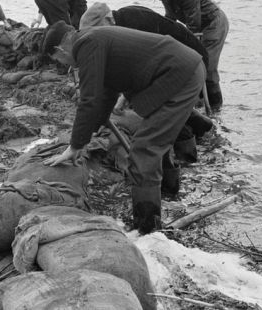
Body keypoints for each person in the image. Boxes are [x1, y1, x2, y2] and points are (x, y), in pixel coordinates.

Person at [41, 21, 205, 234]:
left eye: (60, 61)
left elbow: (89, 100)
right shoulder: (93, 39)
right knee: (156, 141)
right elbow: (105, 93)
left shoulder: (86, 44)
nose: (66, 65)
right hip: (178, 72)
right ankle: (170, 196)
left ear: (60, 49)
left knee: (144, 149)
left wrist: (75, 145)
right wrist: (89, 134)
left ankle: (148, 228)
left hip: (179, 75)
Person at [79, 2, 212, 114]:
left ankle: (195, 125)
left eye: (96, 32)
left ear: (108, 20)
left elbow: (139, 67)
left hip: (191, 60)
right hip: (176, 61)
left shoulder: (132, 23)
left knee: (146, 105)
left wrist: (123, 98)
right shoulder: (123, 16)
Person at [141, 0, 229, 110]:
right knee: (195, 63)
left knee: (208, 65)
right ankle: (198, 100)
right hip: (201, 25)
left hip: (214, 24)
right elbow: (170, 19)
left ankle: (215, 105)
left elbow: (193, 26)